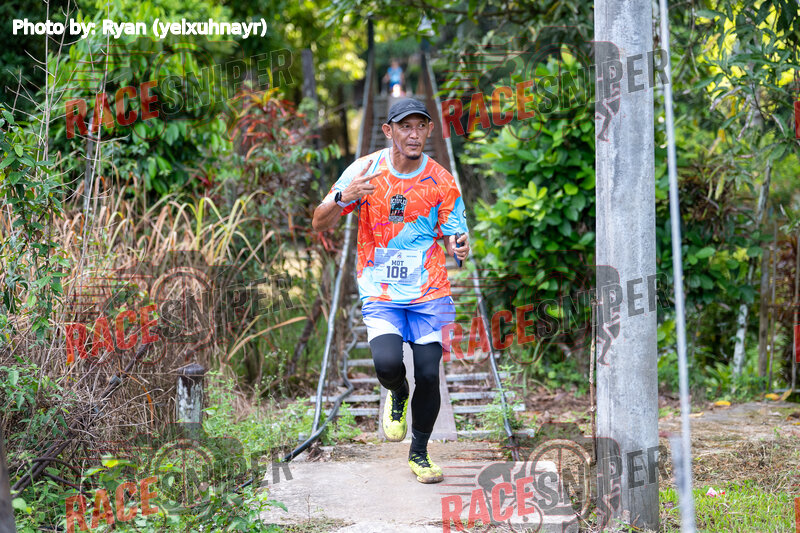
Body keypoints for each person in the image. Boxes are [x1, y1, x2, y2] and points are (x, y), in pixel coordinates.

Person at [312, 98, 469, 484]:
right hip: (380, 290)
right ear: (388, 131)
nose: (414, 135)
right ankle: (398, 393)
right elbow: (319, 222)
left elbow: (456, 234)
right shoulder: (364, 171)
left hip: (429, 290)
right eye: (405, 127)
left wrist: (459, 246)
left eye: (420, 127)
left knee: (429, 373)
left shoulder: (441, 180)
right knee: (385, 365)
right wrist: (345, 196)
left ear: (429, 130)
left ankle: (420, 453)